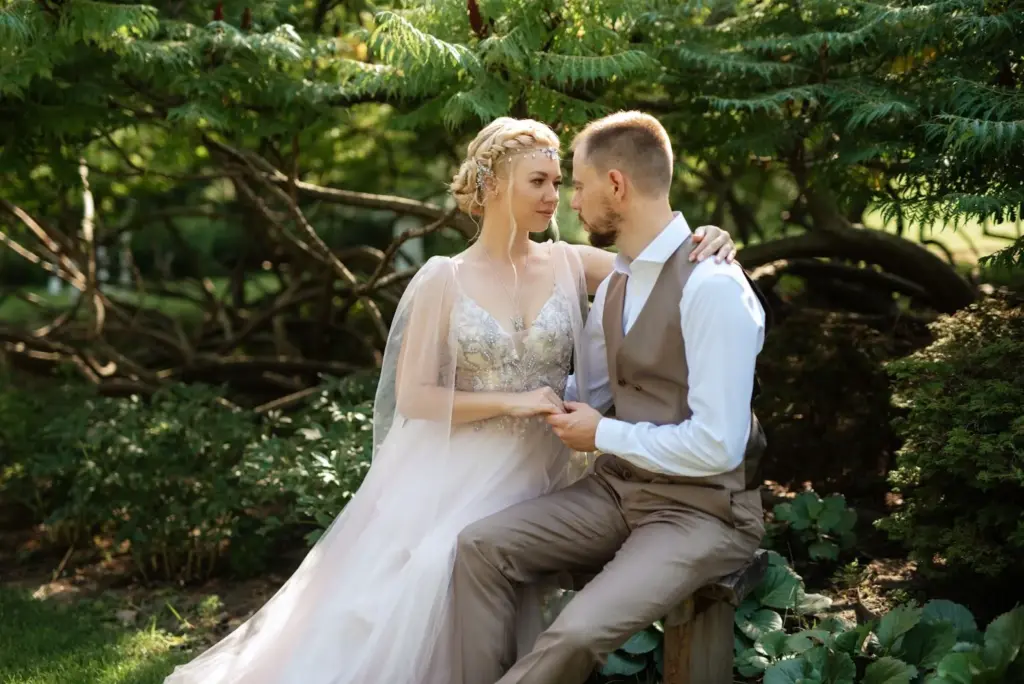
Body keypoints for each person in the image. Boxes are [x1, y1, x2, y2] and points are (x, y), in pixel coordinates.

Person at [162, 116, 737, 684]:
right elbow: (414, 395)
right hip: (463, 462)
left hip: (549, 465)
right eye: (537, 182)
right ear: (492, 186)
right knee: (437, 561)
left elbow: (653, 255)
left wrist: (710, 237)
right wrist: (509, 403)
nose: (554, 196)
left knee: (487, 559)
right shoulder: (444, 277)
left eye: (559, 183)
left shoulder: (571, 262)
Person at [452, 111, 769, 684]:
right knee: (480, 546)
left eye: (576, 184)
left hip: (703, 513)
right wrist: (499, 397)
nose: (569, 201)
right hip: (619, 492)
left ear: (616, 185)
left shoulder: (713, 287)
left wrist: (602, 434)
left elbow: (721, 446)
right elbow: (589, 392)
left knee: (574, 633)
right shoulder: (618, 280)